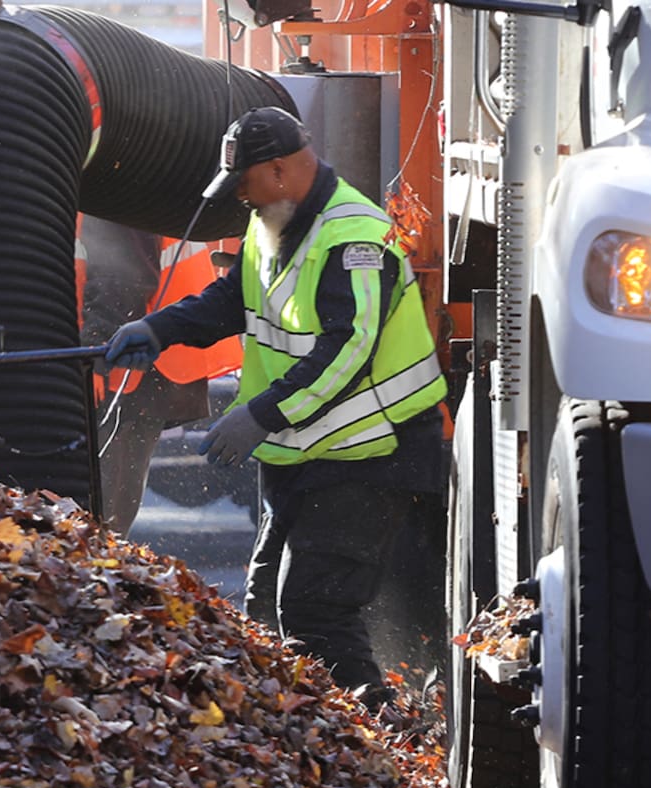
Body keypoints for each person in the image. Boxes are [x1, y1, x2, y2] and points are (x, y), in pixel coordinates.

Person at [103, 107, 448, 704]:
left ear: (284, 171)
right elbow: (230, 299)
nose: (239, 194)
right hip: (306, 457)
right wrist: (159, 329)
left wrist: (259, 415)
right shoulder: (273, 224)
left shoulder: (354, 239)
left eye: (245, 181)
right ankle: (318, 744)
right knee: (265, 613)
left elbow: (350, 350)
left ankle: (372, 747)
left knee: (312, 615)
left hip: (371, 454)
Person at [76, 214, 216, 536]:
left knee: (100, 520)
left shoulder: (110, 186)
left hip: (122, 370)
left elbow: (124, 277)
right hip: (131, 366)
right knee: (104, 517)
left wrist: (95, 352)